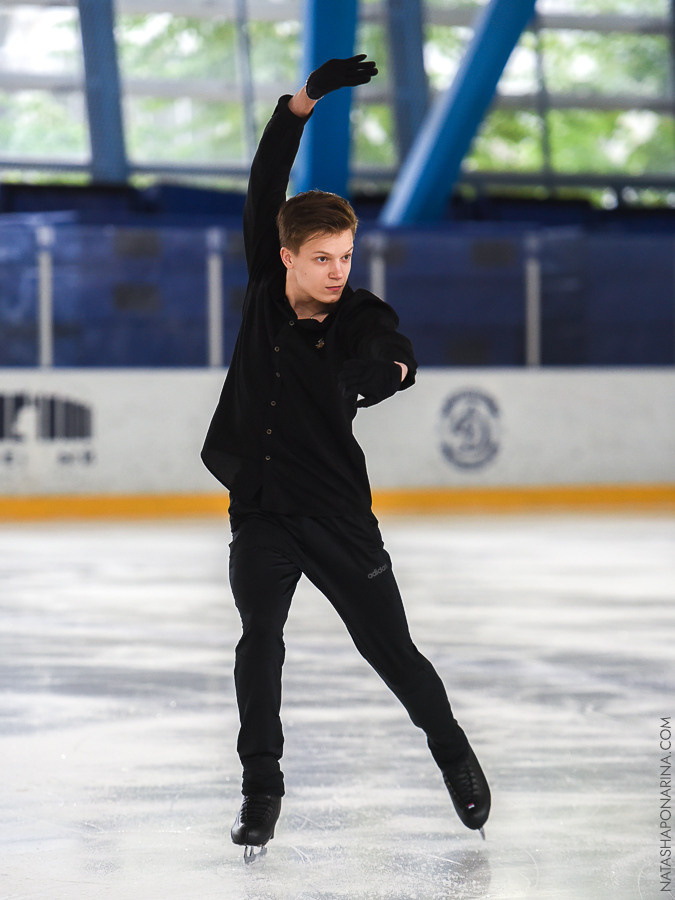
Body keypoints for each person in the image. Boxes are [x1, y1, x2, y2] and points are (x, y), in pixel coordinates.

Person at [201, 54, 490, 858]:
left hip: (335, 513)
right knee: (260, 635)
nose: (336, 273)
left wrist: (387, 371)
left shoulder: (357, 312)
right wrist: (300, 105)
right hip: (260, 505)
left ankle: (451, 750)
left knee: (390, 650)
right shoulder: (265, 285)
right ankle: (261, 790)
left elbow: (392, 348)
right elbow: (266, 183)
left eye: (345, 257)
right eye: (322, 258)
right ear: (288, 255)